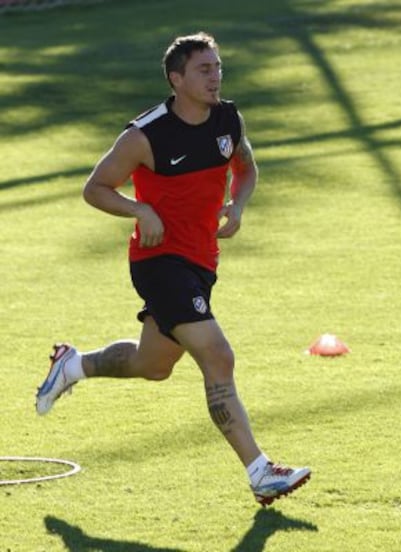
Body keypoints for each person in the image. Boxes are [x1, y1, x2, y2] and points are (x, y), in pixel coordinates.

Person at [35, 32, 311, 506]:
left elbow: (246, 167)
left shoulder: (228, 118)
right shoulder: (145, 134)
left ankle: (73, 365)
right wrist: (139, 210)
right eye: (204, 70)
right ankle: (261, 471)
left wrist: (238, 206)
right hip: (159, 261)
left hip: (202, 260)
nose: (216, 76)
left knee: (154, 365)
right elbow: (95, 187)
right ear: (176, 78)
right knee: (218, 356)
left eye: (218, 66)